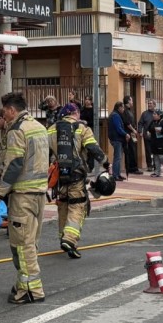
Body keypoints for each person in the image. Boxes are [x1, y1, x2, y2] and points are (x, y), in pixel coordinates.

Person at [0, 91, 51, 304]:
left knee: (22, 245)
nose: (4, 115)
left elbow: (15, 164)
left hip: (23, 196)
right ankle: (23, 284)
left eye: (5, 111)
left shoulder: (17, 130)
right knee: (31, 243)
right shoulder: (39, 127)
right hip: (39, 194)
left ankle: (31, 290)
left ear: (11, 110)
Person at [48, 102, 106, 259]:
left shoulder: (51, 129)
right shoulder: (82, 128)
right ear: (75, 113)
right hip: (76, 175)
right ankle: (70, 239)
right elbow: (93, 148)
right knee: (77, 206)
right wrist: (105, 162)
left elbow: (46, 153)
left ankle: (63, 236)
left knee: (63, 205)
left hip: (59, 177)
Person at [148, 108, 163, 177]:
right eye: (153, 114)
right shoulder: (153, 122)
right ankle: (157, 172)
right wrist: (153, 129)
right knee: (155, 157)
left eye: (155, 114)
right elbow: (149, 128)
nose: (153, 115)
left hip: (161, 143)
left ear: (159, 115)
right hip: (154, 142)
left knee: (161, 157)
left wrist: (160, 130)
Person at [107, 101, 128, 181]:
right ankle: (115, 175)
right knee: (117, 157)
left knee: (119, 157)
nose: (123, 109)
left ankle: (118, 174)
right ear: (119, 108)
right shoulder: (115, 115)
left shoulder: (115, 114)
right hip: (116, 139)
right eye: (122, 107)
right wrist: (126, 134)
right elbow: (118, 128)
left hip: (117, 139)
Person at [138, 99, 159, 172]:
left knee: (155, 151)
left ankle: (156, 165)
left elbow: (161, 123)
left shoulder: (157, 113)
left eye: (151, 103)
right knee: (148, 151)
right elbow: (140, 123)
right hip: (146, 135)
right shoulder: (144, 114)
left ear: (154, 105)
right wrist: (140, 131)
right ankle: (149, 166)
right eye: (148, 103)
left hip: (155, 136)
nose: (149, 104)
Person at [121, 98, 140, 174]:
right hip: (128, 134)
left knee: (132, 150)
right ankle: (131, 168)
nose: (132, 102)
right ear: (128, 101)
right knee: (130, 151)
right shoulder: (125, 111)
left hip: (131, 133)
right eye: (131, 100)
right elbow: (127, 123)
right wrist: (133, 130)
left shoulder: (129, 111)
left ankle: (133, 167)